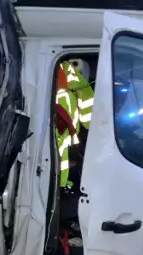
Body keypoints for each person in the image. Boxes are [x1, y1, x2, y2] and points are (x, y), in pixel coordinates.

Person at [55, 60, 94, 189]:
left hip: (55, 111)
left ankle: (60, 183)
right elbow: (84, 92)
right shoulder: (65, 67)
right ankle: (60, 185)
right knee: (61, 152)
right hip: (64, 111)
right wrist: (90, 123)